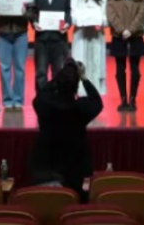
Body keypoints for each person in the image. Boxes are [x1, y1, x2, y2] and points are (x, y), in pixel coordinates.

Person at [28, 59, 103, 196]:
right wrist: (83, 78)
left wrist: (60, 76)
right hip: (75, 169)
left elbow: (40, 95)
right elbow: (97, 101)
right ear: (76, 86)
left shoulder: (45, 105)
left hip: (46, 167)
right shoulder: (80, 108)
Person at [106, 0, 144, 112]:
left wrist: (131, 30)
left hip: (135, 36)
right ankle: (123, 99)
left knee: (135, 69)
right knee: (119, 69)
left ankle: (133, 99)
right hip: (119, 36)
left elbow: (142, 14)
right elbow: (111, 14)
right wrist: (121, 29)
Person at [31, 0, 73, 91]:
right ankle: (42, 100)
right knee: (41, 73)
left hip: (59, 38)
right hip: (41, 38)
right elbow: (32, 11)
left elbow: (68, 10)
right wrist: (34, 22)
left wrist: (67, 23)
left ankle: (58, 99)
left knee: (59, 73)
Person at [71, 0, 108, 96]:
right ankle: (80, 91)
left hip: (97, 34)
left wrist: (101, 22)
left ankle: (95, 91)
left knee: (96, 61)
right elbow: (72, 14)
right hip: (81, 33)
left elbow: (106, 16)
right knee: (80, 62)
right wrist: (80, 21)